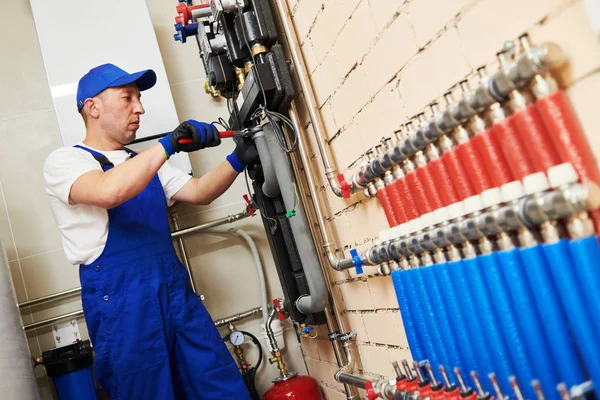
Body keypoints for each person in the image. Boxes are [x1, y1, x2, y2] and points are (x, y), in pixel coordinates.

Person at [43, 63, 256, 399]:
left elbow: (199, 191)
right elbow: (108, 191)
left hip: (175, 296)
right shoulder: (66, 162)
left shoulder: (143, 161)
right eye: (127, 98)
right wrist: (169, 144)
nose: (140, 108)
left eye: (139, 98)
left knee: (218, 383)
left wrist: (239, 157)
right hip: (125, 309)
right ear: (92, 107)